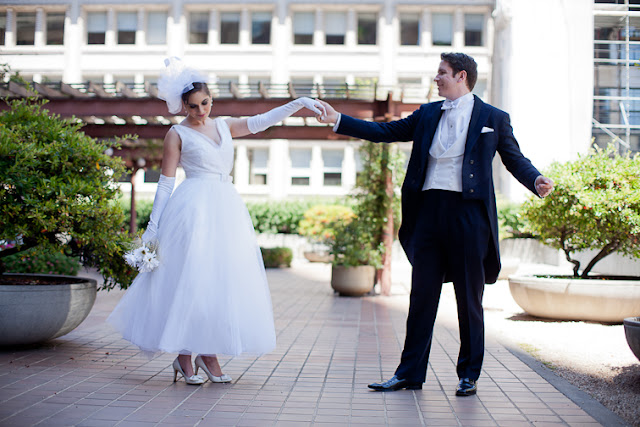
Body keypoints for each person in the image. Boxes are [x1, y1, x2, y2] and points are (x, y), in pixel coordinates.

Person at [316, 52, 554, 396]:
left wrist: (536, 180)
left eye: (441, 73)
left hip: (469, 215)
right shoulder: (428, 114)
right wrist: (339, 119)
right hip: (427, 212)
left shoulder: (493, 117)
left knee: (469, 299)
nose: (436, 78)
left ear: (461, 76)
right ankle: (409, 373)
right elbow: (385, 131)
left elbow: (514, 158)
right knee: (422, 296)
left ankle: (468, 374)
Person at [108, 58, 325, 385]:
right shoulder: (176, 133)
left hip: (226, 209)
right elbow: (165, 183)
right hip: (192, 210)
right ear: (183, 106)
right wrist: (152, 229)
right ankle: (184, 355)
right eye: (193, 106)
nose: (201, 111)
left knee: (220, 280)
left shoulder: (224, 126)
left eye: (205, 103)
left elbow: (262, 121)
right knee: (191, 278)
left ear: (212, 100)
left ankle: (208, 352)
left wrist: (300, 103)